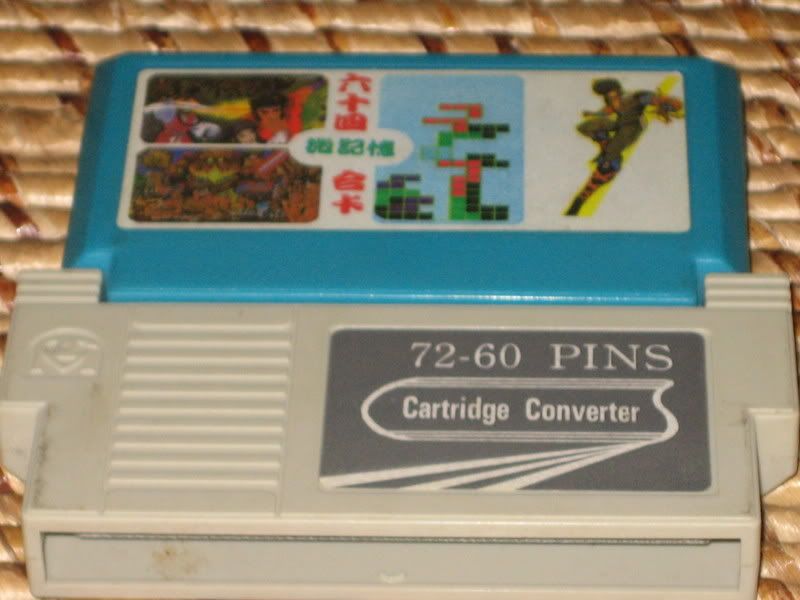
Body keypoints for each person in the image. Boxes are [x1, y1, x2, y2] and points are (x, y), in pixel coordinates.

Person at [565, 78, 683, 216]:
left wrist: (665, 105)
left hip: (631, 128)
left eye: (610, 94)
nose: (609, 97)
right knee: (585, 127)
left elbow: (655, 100)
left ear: (616, 91)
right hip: (619, 124)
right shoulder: (612, 100)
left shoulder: (634, 97)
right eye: (606, 95)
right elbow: (608, 110)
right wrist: (594, 114)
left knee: (611, 153)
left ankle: (611, 163)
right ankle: (607, 147)